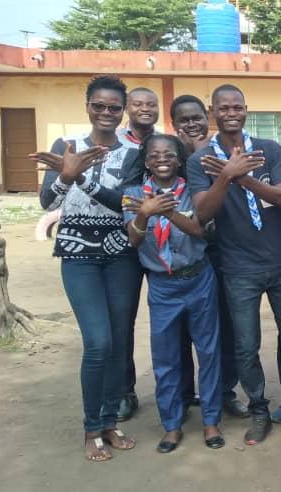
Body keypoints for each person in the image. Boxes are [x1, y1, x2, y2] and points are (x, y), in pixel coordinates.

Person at [186, 84, 281, 445]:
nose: (230, 112)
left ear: (245, 110)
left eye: (237, 106)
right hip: (238, 267)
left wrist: (243, 177)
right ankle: (258, 408)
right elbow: (202, 213)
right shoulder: (200, 162)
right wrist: (224, 176)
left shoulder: (268, 150)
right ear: (213, 113)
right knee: (245, 344)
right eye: (223, 108)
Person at [31, 74, 141, 461]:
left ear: (122, 110)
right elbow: (47, 202)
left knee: (119, 343)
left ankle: (110, 422)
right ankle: (91, 427)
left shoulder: (133, 150)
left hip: (120, 254)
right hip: (78, 253)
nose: (107, 113)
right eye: (99, 105)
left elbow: (126, 204)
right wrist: (65, 174)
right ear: (88, 106)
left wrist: (82, 180)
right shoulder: (67, 145)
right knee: (98, 342)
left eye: (114, 107)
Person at [122, 133, 225, 453]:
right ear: (147, 161)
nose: (162, 159)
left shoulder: (194, 191)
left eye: (169, 154)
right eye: (154, 155)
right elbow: (134, 240)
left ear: (180, 160)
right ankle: (172, 425)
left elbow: (200, 229)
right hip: (163, 285)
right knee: (165, 357)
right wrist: (144, 212)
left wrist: (165, 212)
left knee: (208, 353)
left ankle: (210, 420)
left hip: (198, 278)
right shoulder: (133, 194)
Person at [170, 94, 250, 419]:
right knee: (183, 330)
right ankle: (186, 393)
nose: (191, 124)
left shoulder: (221, 150)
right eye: (183, 119)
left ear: (208, 117)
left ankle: (225, 391)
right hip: (183, 254)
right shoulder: (171, 154)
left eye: (196, 117)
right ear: (175, 124)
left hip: (222, 248)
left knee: (225, 326)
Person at [114, 87, 160, 422]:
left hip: (167, 247)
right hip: (132, 241)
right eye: (138, 104)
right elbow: (117, 195)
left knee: (173, 324)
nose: (145, 109)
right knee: (124, 320)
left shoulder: (167, 144)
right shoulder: (117, 145)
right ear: (127, 108)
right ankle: (124, 390)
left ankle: (183, 389)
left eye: (151, 104)